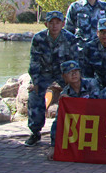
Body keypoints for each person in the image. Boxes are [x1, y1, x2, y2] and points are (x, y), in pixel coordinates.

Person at [25, 11, 79, 147]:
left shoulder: (70, 38)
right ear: (46, 24)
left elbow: (74, 62)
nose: (54, 26)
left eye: (57, 23)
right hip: (44, 73)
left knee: (75, 94)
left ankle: (71, 130)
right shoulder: (39, 38)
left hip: (63, 74)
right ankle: (35, 131)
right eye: (51, 23)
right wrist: (35, 81)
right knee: (34, 94)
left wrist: (71, 81)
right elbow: (34, 62)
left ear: (63, 24)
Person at [48, 60, 99, 150]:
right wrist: (53, 146)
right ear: (64, 76)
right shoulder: (65, 93)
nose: (74, 74)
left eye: (76, 71)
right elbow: (58, 120)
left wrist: (72, 101)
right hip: (78, 124)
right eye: (69, 72)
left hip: (95, 120)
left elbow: (96, 104)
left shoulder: (91, 83)